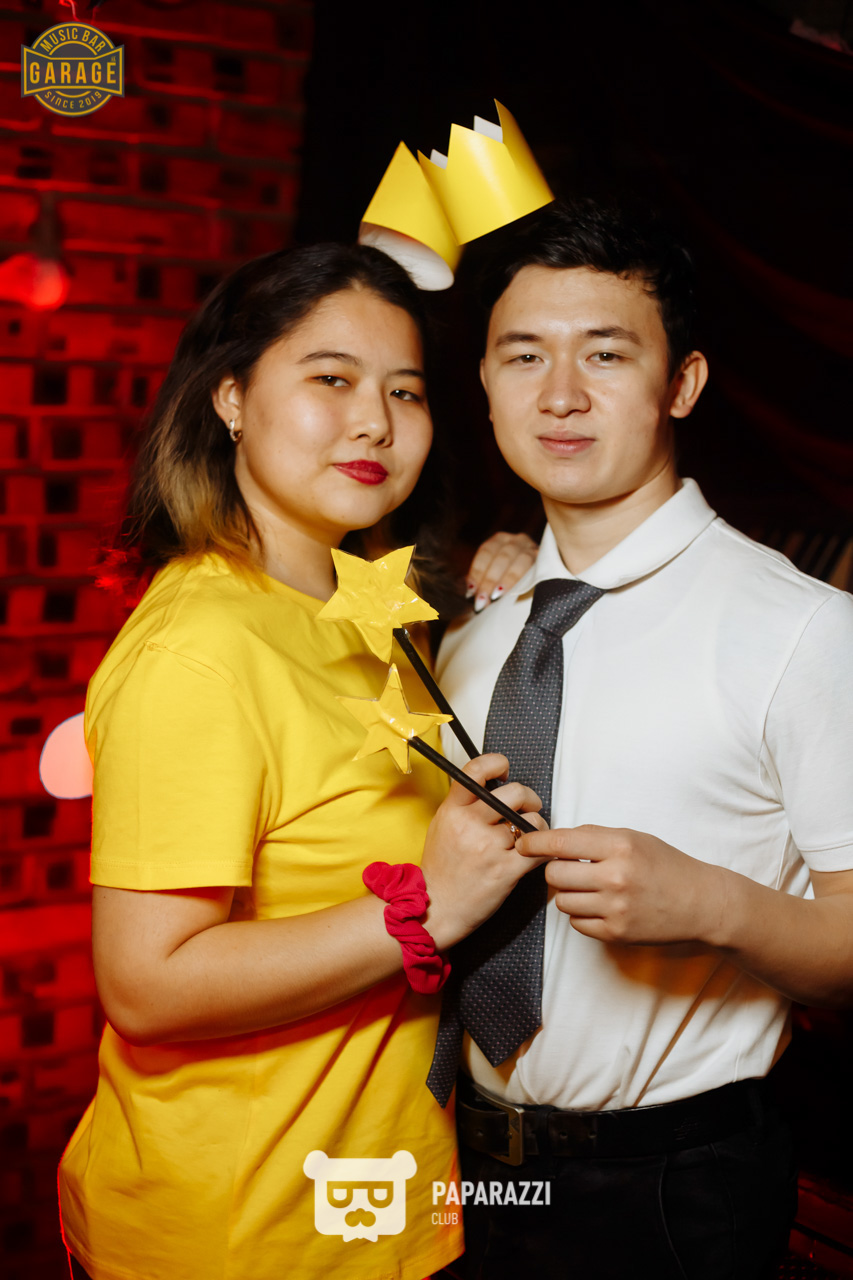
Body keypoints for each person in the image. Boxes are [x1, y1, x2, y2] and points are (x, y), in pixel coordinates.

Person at [57, 242, 545, 1280]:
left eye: (404, 390)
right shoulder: (199, 647)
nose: (374, 421)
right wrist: (427, 908)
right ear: (231, 396)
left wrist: (519, 566)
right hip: (241, 1231)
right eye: (330, 378)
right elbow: (146, 984)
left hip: (380, 1209)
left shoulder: (365, 610)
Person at [433, 199, 853, 1280]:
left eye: (606, 354)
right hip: (456, 1161)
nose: (559, 395)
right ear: (484, 382)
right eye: (523, 355)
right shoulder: (470, 638)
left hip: (671, 1185)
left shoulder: (804, 630)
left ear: (682, 382)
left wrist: (709, 903)